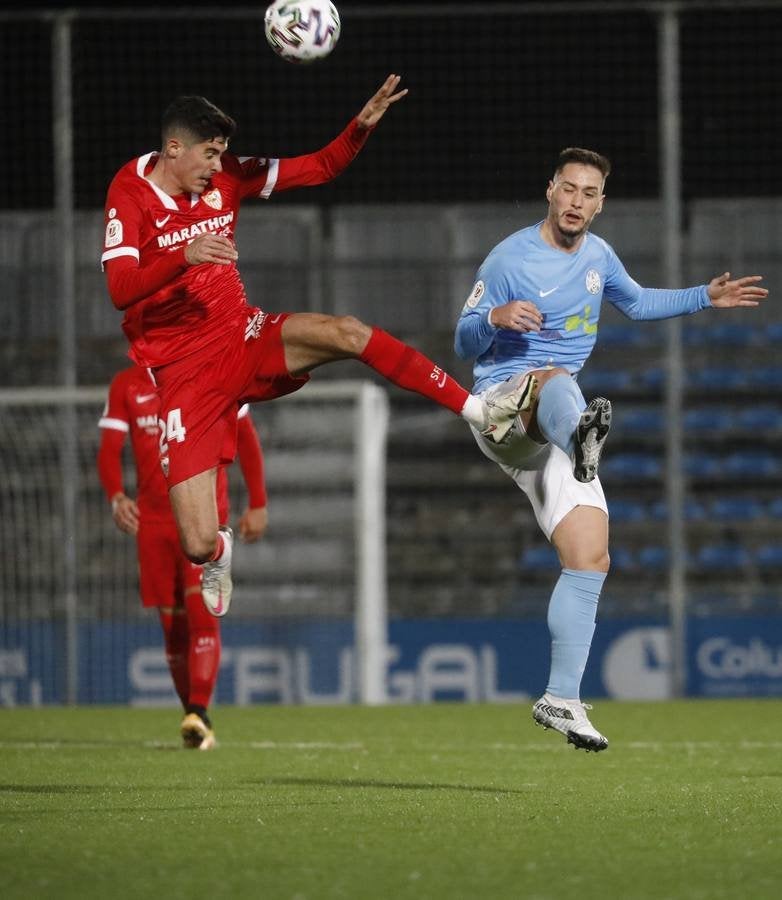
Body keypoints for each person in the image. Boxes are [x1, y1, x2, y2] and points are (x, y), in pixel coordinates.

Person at [100, 74, 528, 618]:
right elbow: (120, 290)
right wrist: (182, 257)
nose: (216, 166)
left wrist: (360, 127)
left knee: (346, 331)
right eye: (208, 154)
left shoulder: (227, 177)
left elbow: (321, 166)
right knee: (196, 542)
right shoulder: (130, 190)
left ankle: (477, 411)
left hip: (241, 335)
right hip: (181, 372)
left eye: (221, 155)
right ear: (174, 148)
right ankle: (219, 553)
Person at [454, 147, 768, 752]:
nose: (576, 202)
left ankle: (561, 699)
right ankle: (581, 436)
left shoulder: (598, 256)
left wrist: (705, 296)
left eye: (589, 193)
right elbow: (463, 335)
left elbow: (639, 302)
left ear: (601, 202)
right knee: (557, 379)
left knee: (589, 557)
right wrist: (494, 314)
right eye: (568, 189)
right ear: (550, 190)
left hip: (554, 432)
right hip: (502, 408)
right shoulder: (510, 257)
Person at [97, 363, 268, 750]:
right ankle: (193, 720)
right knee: (173, 631)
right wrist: (116, 497)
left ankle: (199, 710)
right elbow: (109, 449)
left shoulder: (210, 372)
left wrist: (257, 503)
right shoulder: (126, 384)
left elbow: (246, 438)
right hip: (154, 525)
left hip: (203, 513)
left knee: (202, 617)